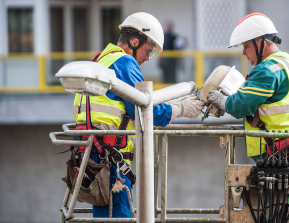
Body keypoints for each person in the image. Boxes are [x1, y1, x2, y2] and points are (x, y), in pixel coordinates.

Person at [72, 12, 204, 218]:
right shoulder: (124, 63)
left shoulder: (101, 61)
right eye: (147, 50)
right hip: (109, 158)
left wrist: (175, 102)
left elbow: (132, 105)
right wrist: (183, 109)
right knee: (120, 216)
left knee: (105, 216)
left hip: (90, 155)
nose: (147, 58)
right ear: (135, 41)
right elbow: (144, 110)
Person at [206, 13, 289, 205]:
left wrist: (224, 101)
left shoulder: (267, 70)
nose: (243, 53)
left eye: (246, 46)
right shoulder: (288, 65)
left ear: (260, 42)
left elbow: (240, 106)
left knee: (283, 212)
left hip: (281, 157)